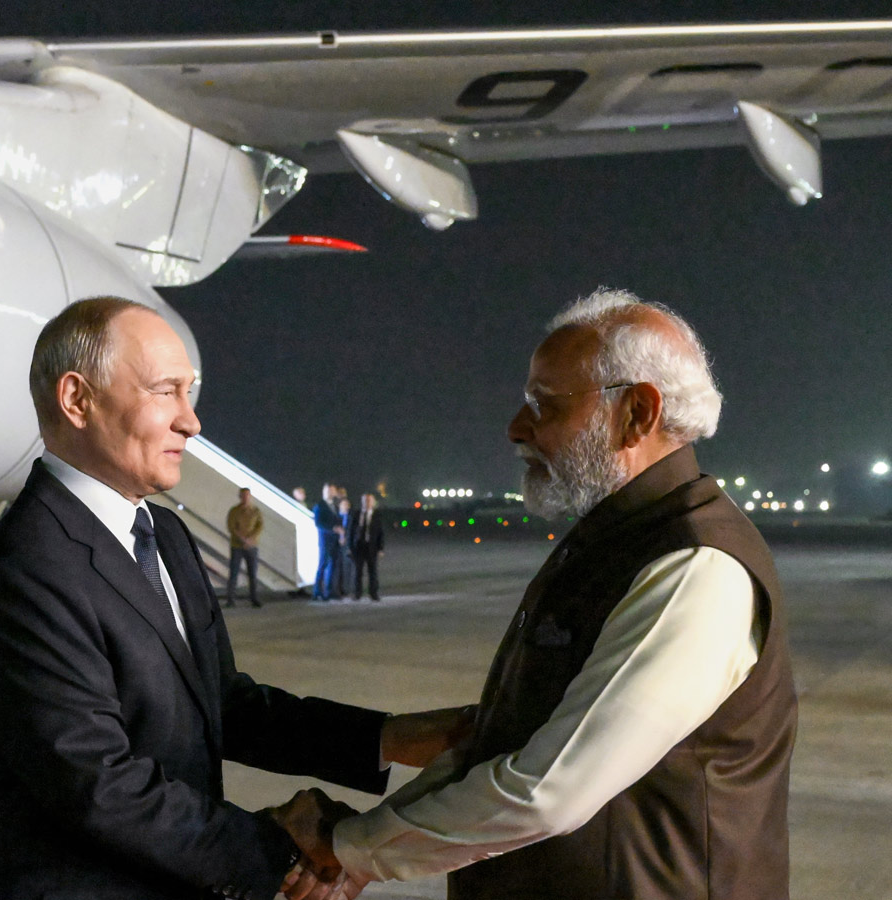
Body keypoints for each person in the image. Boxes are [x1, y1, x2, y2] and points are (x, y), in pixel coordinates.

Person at [0, 297, 472, 900]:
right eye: (165, 391)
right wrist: (278, 844)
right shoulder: (25, 565)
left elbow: (223, 704)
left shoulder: (164, 536)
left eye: (189, 393)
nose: (191, 422)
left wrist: (391, 738)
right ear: (77, 400)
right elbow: (97, 787)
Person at [298, 288, 798, 899]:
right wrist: (364, 839)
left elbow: (549, 789)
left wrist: (352, 851)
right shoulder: (613, 541)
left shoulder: (695, 564)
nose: (517, 428)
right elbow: (516, 743)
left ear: (637, 412)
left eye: (544, 404)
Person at [226, 487, 263, 608]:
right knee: (234, 572)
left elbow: (259, 526)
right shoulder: (234, 511)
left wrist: (251, 539)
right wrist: (243, 539)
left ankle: (254, 598)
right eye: (243, 495)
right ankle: (230, 599)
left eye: (247, 495)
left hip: (252, 546)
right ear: (240, 497)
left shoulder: (256, 511)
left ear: (250, 496)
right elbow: (231, 527)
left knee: (253, 573)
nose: (245, 497)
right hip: (237, 546)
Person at [311, 483, 342, 602]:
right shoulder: (320, 506)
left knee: (333, 566)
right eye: (329, 491)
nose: (331, 493)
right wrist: (333, 528)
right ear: (324, 492)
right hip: (325, 541)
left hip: (335, 541)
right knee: (323, 565)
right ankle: (317, 591)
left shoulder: (335, 506)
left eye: (333, 490)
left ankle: (330, 591)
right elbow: (318, 523)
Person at [350, 493, 384, 602]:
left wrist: (380, 548)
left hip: (371, 547)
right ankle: (357, 593)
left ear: (373, 502)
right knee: (358, 572)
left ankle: (373, 593)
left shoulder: (377, 515)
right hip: (359, 546)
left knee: (372, 571)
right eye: (365, 501)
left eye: (369, 501)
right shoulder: (357, 514)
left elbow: (380, 533)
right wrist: (350, 546)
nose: (367, 503)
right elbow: (351, 531)